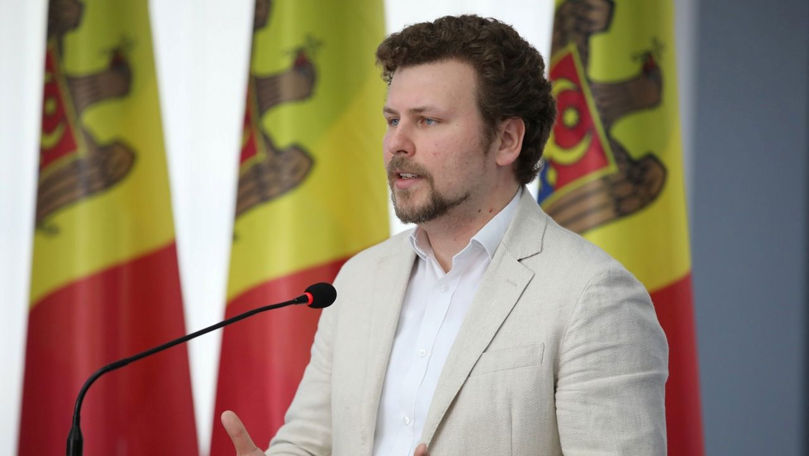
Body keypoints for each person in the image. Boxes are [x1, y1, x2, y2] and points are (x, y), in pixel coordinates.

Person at [222, 15, 668, 456]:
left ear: (506, 140)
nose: (397, 143)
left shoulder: (594, 295)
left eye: (427, 121)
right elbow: (309, 442)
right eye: (392, 120)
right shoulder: (358, 280)